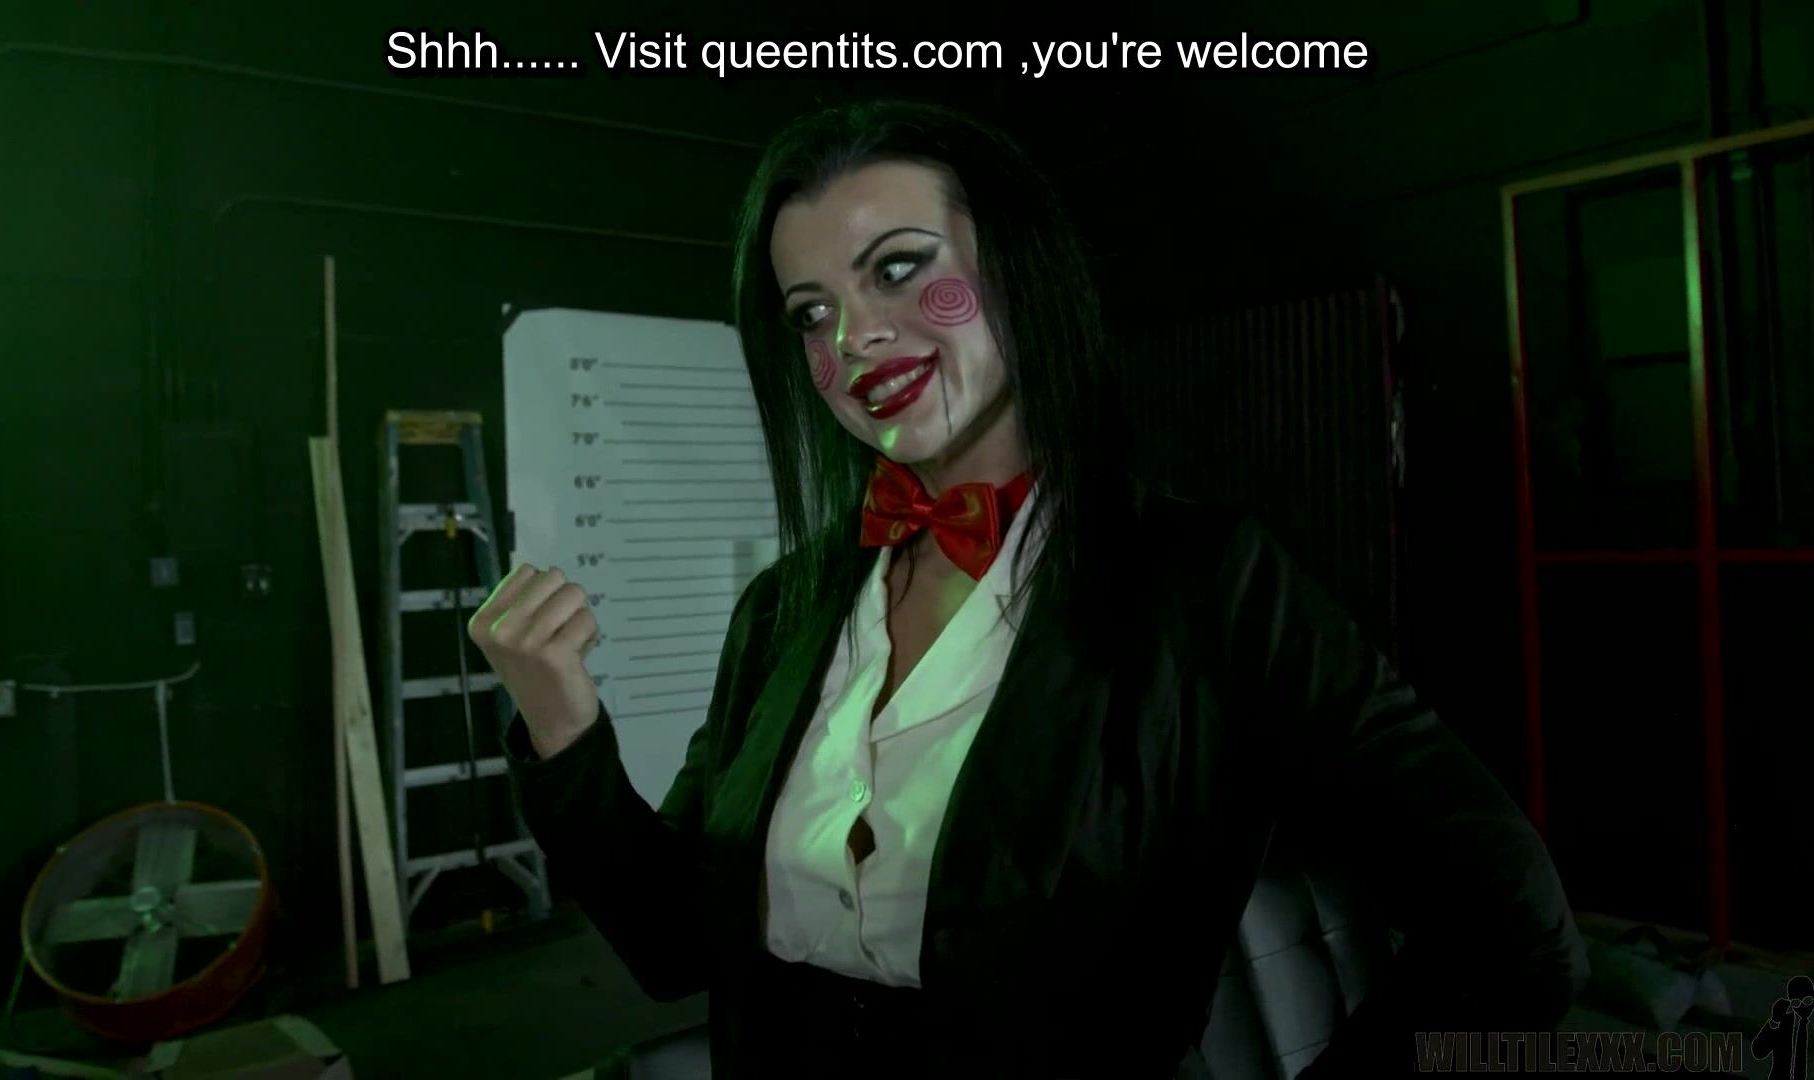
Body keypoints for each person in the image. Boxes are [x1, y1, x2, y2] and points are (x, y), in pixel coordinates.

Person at [472, 99, 1587, 1077]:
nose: (854, 336)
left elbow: (1514, 933)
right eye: (809, 311)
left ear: (1017, 266)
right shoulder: (782, 609)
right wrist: (563, 724)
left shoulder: (1207, 585)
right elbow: (673, 943)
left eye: (897, 268)